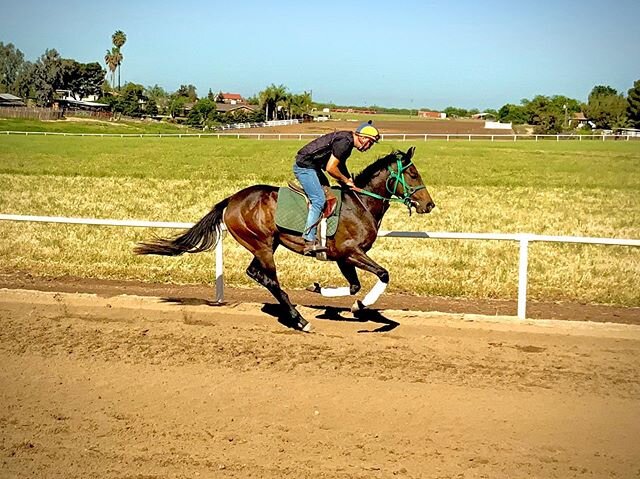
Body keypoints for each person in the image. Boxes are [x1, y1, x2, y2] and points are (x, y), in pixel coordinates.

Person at [293, 121, 381, 256]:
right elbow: (331, 168)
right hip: (305, 167)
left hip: (314, 167)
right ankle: (309, 241)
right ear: (362, 137)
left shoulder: (348, 142)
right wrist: (345, 180)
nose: (370, 146)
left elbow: (340, 165)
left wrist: (348, 180)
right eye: (370, 142)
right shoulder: (344, 142)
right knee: (319, 200)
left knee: (330, 195)